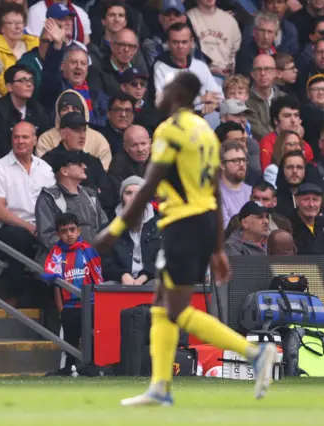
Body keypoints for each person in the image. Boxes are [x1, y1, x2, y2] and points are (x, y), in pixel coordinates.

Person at [94, 72, 277, 406]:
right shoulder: (205, 132)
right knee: (163, 307)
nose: (159, 94)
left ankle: (255, 352)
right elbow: (215, 190)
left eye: (165, 89)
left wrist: (115, 230)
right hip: (202, 221)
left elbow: (149, 184)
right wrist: (218, 247)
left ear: (179, 94)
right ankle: (160, 386)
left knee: (176, 309)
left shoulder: (171, 130)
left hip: (184, 223)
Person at [0, 122, 55, 306]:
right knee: (21, 238)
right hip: (7, 228)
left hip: (41, 227)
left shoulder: (45, 169)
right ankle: (13, 295)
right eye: (16, 137)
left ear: (35, 140)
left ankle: (47, 304)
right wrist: (29, 227)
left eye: (25, 137)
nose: (20, 141)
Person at [42, 212, 103, 374]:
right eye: (64, 231)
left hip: (90, 304)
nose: (69, 234)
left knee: (93, 338)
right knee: (69, 342)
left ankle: (95, 369)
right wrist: (61, 308)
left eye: (72, 229)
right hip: (69, 306)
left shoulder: (88, 251)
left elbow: (97, 279)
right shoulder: (56, 254)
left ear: (79, 231)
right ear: (58, 234)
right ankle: (67, 370)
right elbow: (55, 283)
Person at [102, 176, 160, 284]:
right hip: (120, 280)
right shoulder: (109, 229)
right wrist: (122, 275)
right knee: (107, 287)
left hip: (151, 279)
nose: (133, 197)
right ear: (122, 197)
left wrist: (145, 276)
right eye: (128, 193)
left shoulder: (160, 225)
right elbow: (106, 263)